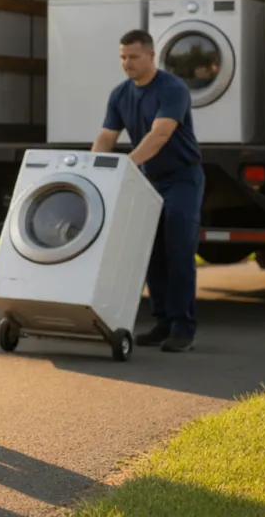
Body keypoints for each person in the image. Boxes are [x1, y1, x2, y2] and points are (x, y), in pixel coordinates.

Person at [91, 29, 204, 353]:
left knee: (179, 249)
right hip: (147, 179)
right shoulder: (119, 94)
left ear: (151, 56)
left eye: (134, 57)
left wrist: (126, 165)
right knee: (150, 251)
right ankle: (163, 323)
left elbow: (161, 134)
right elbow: (105, 137)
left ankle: (183, 328)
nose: (127, 63)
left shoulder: (172, 89)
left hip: (182, 179)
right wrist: (91, 171)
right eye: (123, 57)